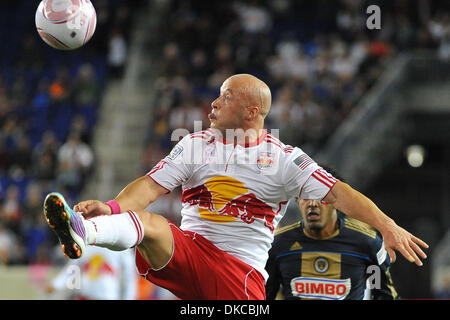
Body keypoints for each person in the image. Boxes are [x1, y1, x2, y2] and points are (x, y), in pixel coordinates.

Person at [43, 74, 428, 300]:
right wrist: (110, 209)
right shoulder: (194, 145)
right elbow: (148, 186)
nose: (212, 103)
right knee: (149, 222)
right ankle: (82, 231)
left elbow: (339, 193)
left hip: (237, 276)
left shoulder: (283, 158)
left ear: (250, 112)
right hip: (190, 255)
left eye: (225, 97)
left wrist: (387, 226)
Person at [265, 166, 399, 300]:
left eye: (320, 197)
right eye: (305, 197)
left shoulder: (368, 243)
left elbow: (385, 296)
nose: (312, 203)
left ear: (337, 202)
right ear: (297, 201)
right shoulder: (278, 244)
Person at [45, 246, 137, 300]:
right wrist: (56, 284)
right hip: (85, 294)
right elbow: (74, 268)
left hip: (107, 296)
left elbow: (129, 277)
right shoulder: (86, 244)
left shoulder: (121, 246)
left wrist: (129, 297)